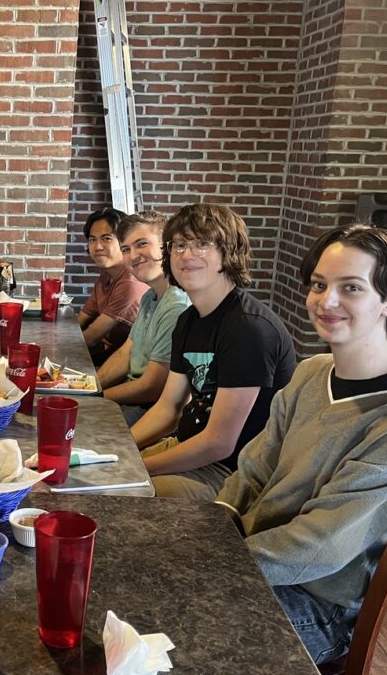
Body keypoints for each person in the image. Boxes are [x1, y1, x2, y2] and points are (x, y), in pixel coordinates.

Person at [213, 224, 387, 663]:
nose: (326, 301)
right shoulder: (312, 372)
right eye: (319, 285)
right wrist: (213, 530)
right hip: (254, 563)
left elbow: (322, 544)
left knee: (168, 626)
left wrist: (213, 564)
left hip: (319, 608)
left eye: (351, 288)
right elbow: (254, 469)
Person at [131, 203, 296, 498]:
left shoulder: (248, 328)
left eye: (202, 244)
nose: (186, 254)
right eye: (179, 245)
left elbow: (220, 443)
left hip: (234, 474)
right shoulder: (188, 320)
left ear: (228, 253)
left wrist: (139, 467)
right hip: (187, 447)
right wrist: (123, 449)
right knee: (94, 476)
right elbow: (168, 408)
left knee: (119, 492)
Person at [96, 210, 191, 425]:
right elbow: (126, 353)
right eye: (126, 249)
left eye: (141, 244)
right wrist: (90, 387)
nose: (133, 255)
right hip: (133, 400)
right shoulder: (150, 296)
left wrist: (96, 397)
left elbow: (152, 387)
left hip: (152, 409)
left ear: (165, 247)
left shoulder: (177, 304)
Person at [77, 207, 150, 366]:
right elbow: (81, 319)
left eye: (106, 238)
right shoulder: (106, 276)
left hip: (124, 366)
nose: (97, 247)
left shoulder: (129, 283)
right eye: (92, 239)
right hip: (106, 355)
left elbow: (89, 339)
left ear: (124, 242)